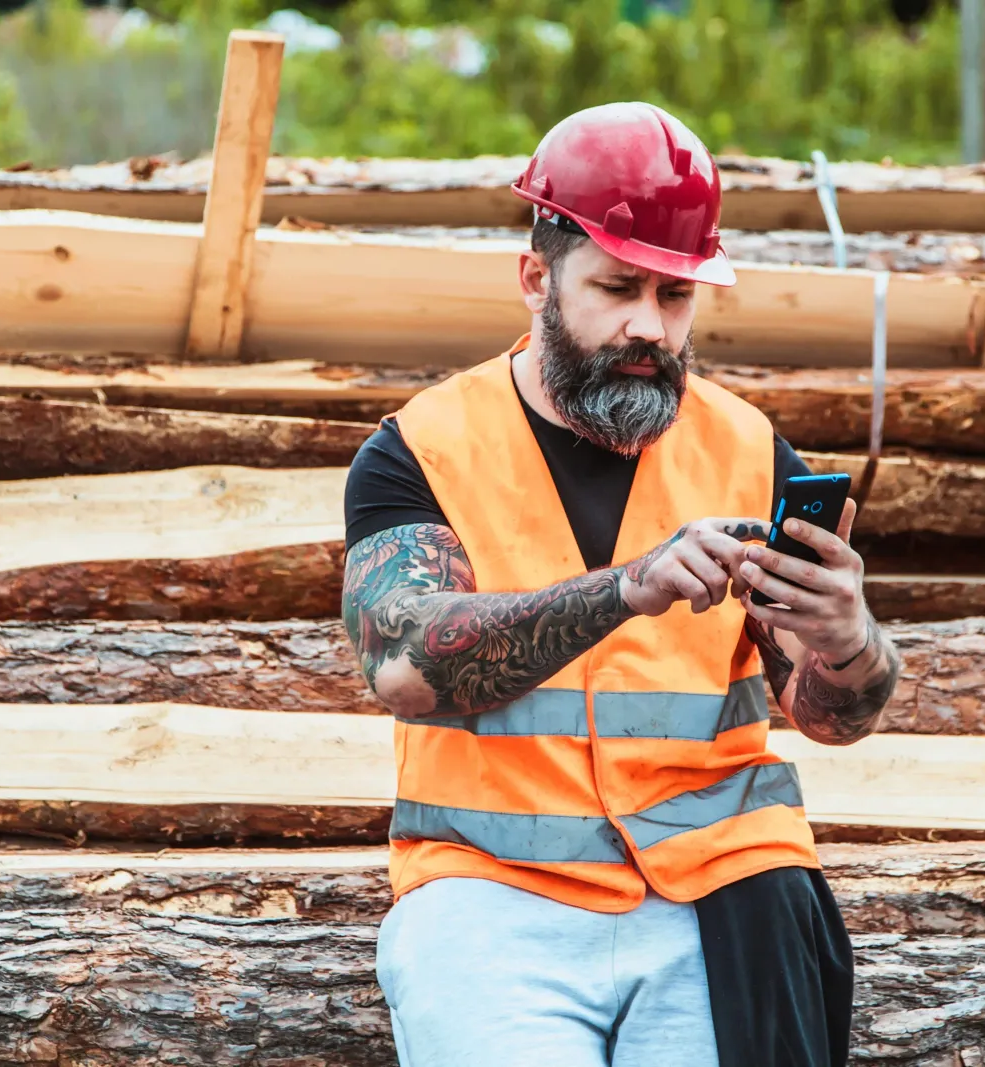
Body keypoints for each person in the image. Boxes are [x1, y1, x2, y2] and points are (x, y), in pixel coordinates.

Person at [342, 101, 901, 1067]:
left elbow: (830, 716)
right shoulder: (418, 450)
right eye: (617, 287)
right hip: (489, 895)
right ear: (536, 278)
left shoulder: (750, 450)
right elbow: (404, 665)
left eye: (676, 296)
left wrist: (850, 641)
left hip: (715, 892)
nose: (649, 325)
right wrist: (627, 588)